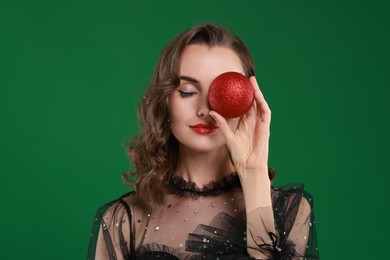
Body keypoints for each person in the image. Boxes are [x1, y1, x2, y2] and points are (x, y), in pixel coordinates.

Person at [87, 24, 319, 260]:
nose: (205, 110)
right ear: (165, 100)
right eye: (187, 91)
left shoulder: (291, 211)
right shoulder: (124, 220)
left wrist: (254, 174)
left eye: (225, 92)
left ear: (249, 100)